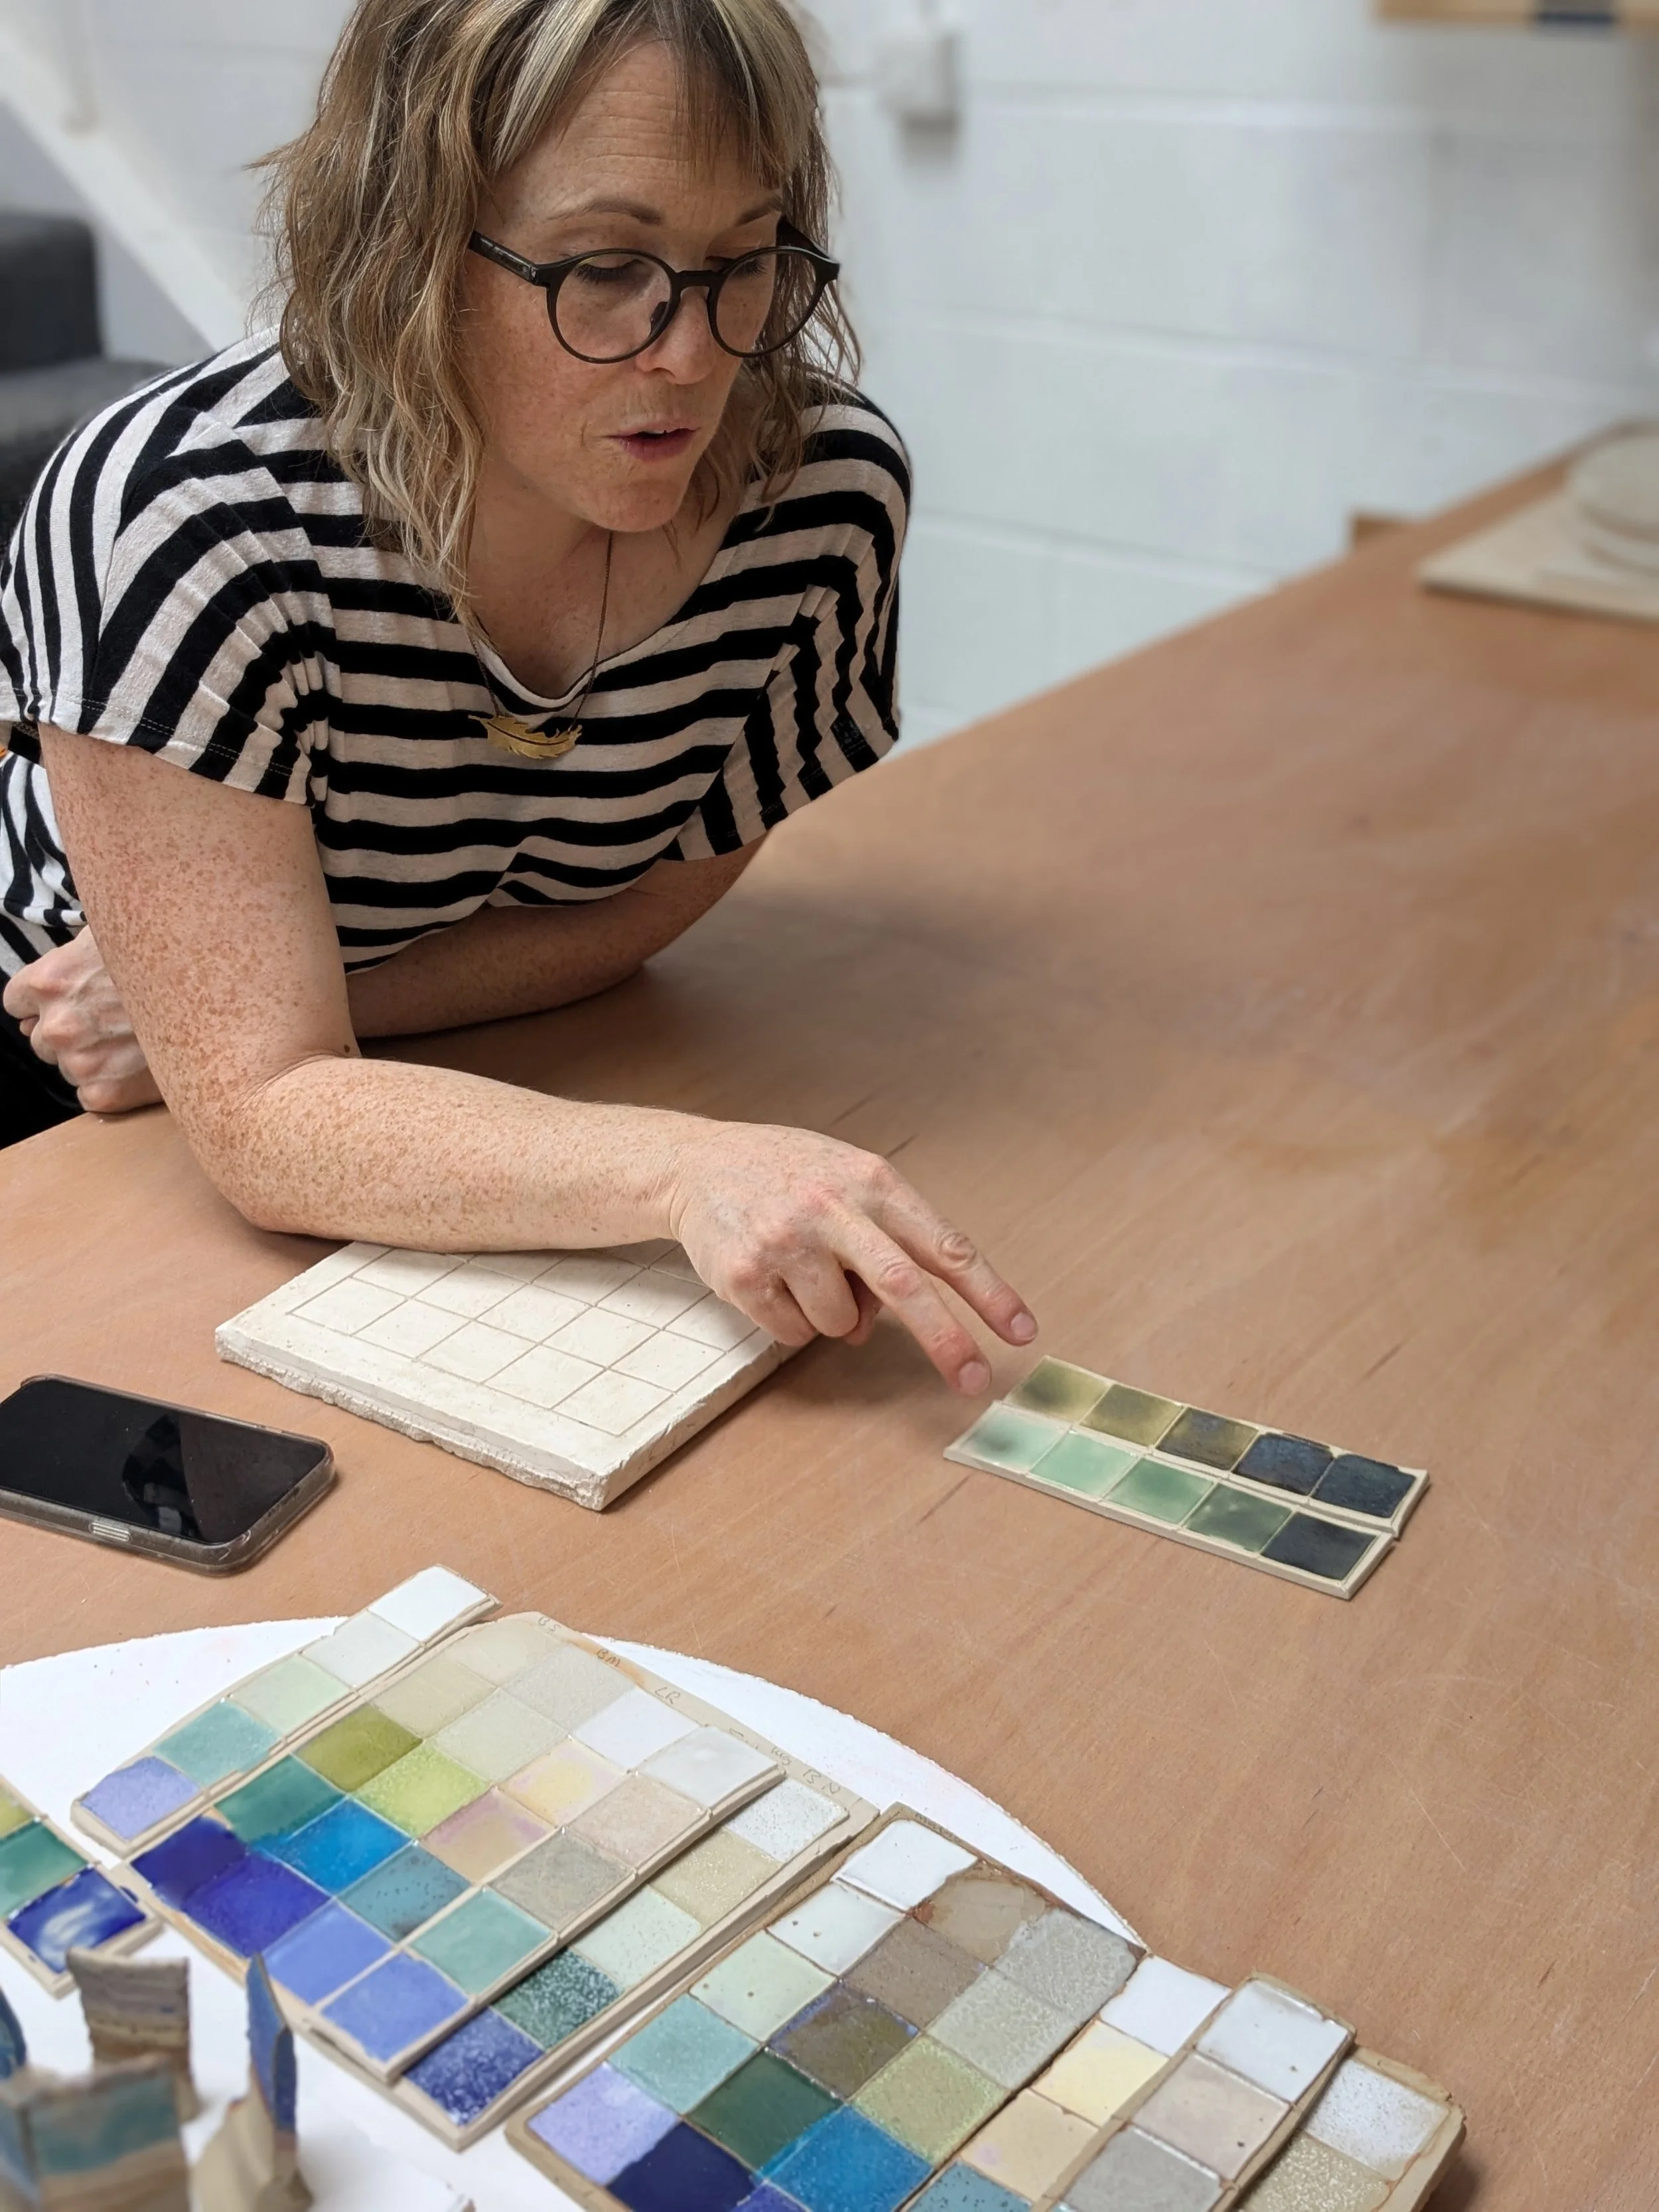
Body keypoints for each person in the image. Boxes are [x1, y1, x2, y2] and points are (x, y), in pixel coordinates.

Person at [0, 0, 1034, 1393]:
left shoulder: (819, 505)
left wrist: (281, 1028)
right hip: (56, 1065)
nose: (690, 354)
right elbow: (259, 1127)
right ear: (410, 248)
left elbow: (641, 911)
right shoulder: (188, 519)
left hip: (392, 1061)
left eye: (742, 260)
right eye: (604, 268)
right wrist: (682, 1169)